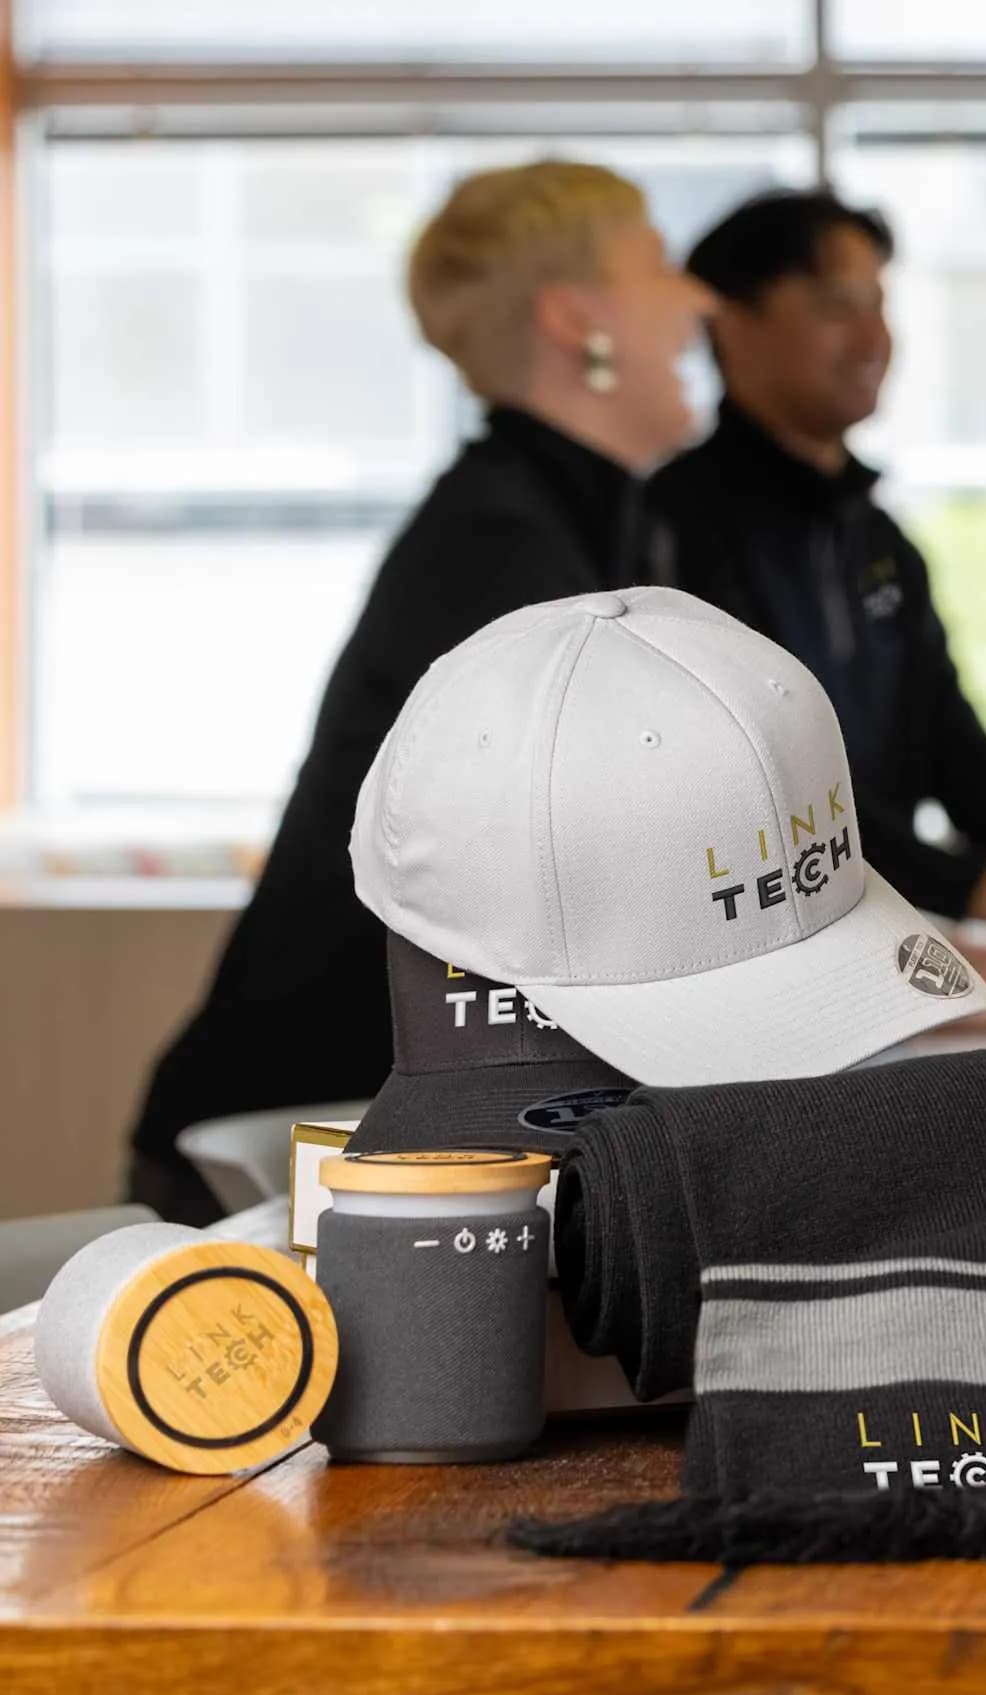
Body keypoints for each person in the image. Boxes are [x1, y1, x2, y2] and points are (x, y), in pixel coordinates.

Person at [127, 162, 712, 1224]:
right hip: (305, 1145)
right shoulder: (502, 544)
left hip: (375, 1126)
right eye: (660, 266)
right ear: (576, 318)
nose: (697, 300)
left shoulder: (578, 522)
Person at [645, 190, 986, 949]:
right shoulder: (672, 529)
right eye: (837, 306)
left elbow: (954, 753)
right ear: (730, 320)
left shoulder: (875, 537)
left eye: (879, 305)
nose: (875, 338)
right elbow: (748, 788)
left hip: (871, 937)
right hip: (748, 954)